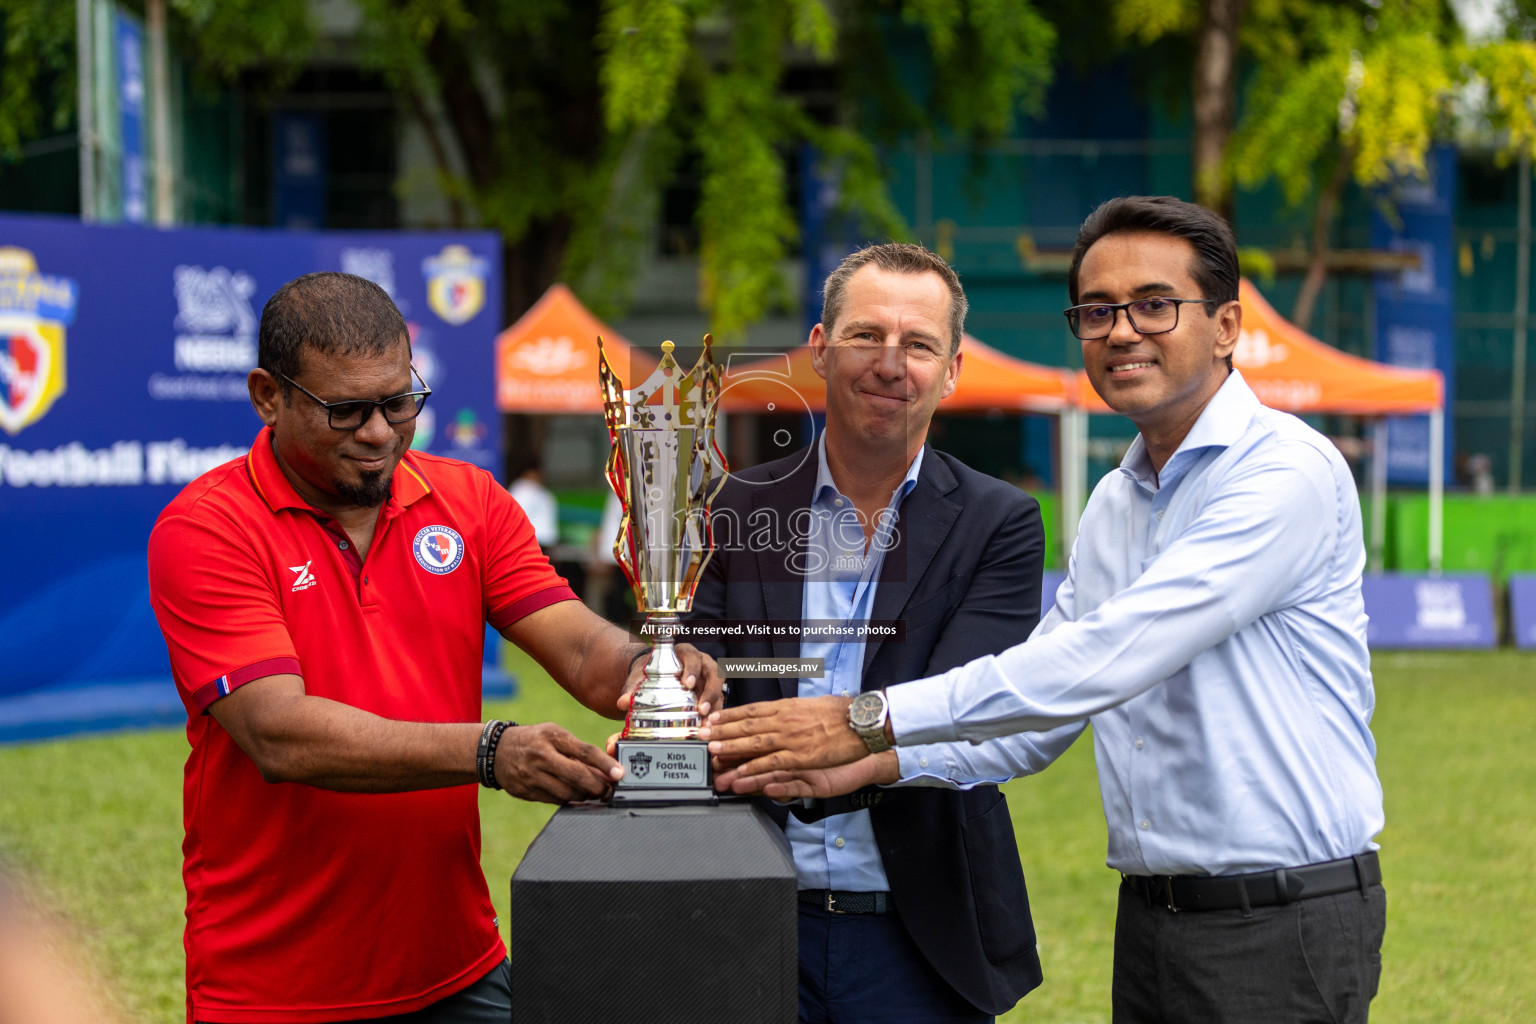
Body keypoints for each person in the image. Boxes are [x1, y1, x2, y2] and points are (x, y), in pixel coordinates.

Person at [704, 198, 1387, 1024]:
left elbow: (1113, 653)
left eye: (1155, 304)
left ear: (1226, 325)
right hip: (1154, 917)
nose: (1122, 330)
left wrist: (867, 719)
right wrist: (874, 765)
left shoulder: (1285, 473)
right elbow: (1036, 722)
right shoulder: (1116, 501)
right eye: (1098, 310)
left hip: (1281, 918)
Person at [147, 272, 718, 1024]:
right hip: (274, 985)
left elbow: (578, 646)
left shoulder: (469, 501)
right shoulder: (209, 528)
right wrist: (490, 751)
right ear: (268, 396)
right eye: (346, 410)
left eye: (398, 401)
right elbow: (276, 733)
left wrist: (654, 671)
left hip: (457, 967)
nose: (380, 431)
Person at [688, 243, 1079, 1023]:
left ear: (953, 370)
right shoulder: (732, 504)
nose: (890, 364)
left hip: (921, 930)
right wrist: (673, 682)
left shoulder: (997, 523)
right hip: (748, 911)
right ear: (820, 349)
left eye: (919, 344)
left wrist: (844, 756)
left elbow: (971, 709)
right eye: (867, 336)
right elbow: (698, 662)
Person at [506, 454, 559, 549]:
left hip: (541, 540)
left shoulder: (540, 492)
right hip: (532, 541)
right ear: (530, 472)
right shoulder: (521, 490)